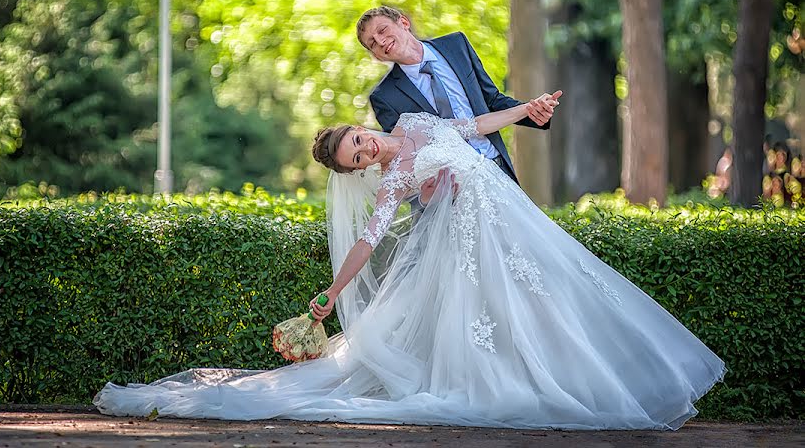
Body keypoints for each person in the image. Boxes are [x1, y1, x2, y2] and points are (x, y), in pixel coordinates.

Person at [95, 107, 725, 429]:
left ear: (364, 130)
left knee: (561, 298)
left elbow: (472, 127)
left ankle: (598, 385)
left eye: (358, 140)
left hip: (511, 221)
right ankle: (539, 395)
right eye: (354, 156)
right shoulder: (394, 180)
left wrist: (525, 110)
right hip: (470, 241)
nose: (365, 149)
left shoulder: (414, 123)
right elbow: (369, 241)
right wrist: (332, 293)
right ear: (356, 169)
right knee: (500, 321)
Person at [358, 5, 556, 192]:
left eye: (382, 30)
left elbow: (492, 99)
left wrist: (533, 110)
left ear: (404, 22)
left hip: (498, 166)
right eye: (372, 43)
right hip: (454, 189)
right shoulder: (384, 97)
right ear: (376, 56)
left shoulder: (456, 45)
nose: (381, 41)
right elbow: (405, 157)